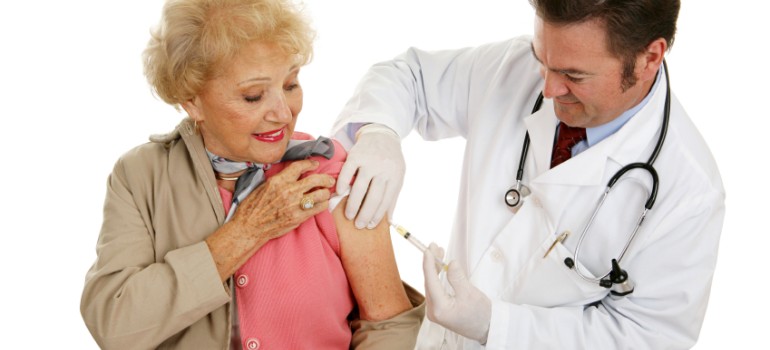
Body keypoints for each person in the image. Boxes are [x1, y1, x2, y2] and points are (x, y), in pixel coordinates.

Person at [332, 0, 724, 349]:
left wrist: (494, 325)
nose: (549, 89)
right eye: (542, 59)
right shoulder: (515, 69)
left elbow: (647, 338)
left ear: (649, 58)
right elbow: (409, 76)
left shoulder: (689, 190)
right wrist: (378, 131)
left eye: (574, 76)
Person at [80, 0, 425, 349]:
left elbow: (391, 327)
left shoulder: (330, 170)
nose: (282, 113)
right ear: (192, 101)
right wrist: (245, 232)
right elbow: (115, 326)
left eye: (290, 84)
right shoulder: (142, 176)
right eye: (253, 96)